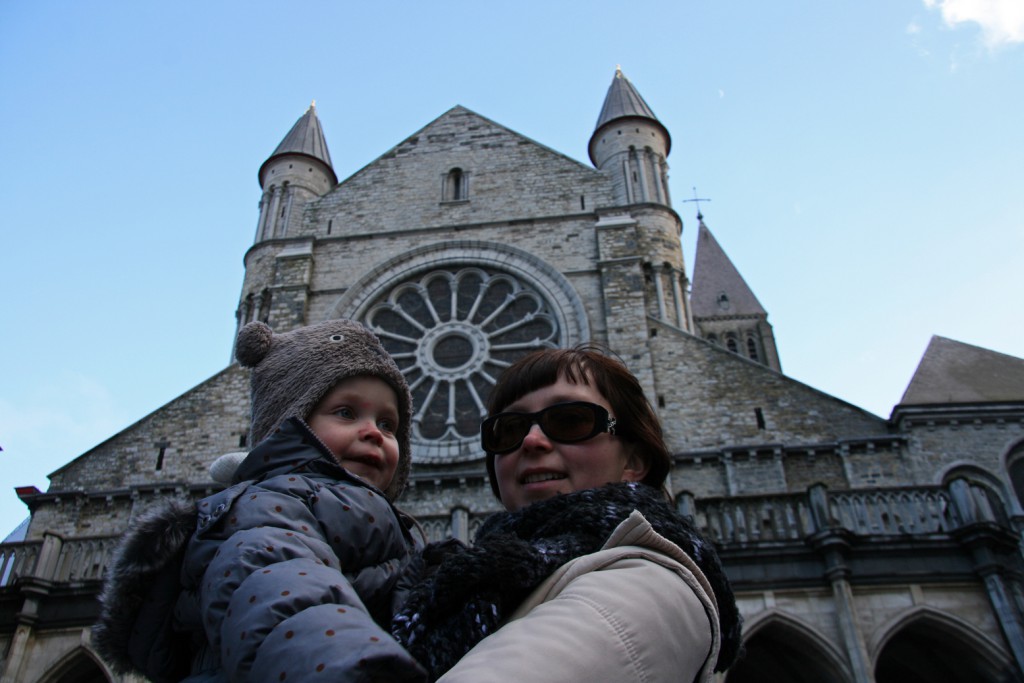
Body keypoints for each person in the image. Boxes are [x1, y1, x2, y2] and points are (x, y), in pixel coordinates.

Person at [95, 319, 427, 683]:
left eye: (388, 424)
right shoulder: (265, 507)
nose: (373, 433)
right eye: (346, 413)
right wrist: (344, 667)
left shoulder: (389, 524)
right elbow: (277, 589)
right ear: (290, 423)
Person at [393, 345, 742, 682]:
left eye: (571, 420)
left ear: (634, 462)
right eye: (509, 430)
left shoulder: (651, 588)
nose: (531, 441)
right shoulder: (477, 580)